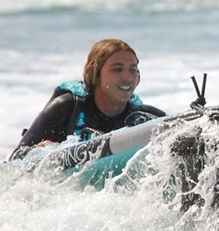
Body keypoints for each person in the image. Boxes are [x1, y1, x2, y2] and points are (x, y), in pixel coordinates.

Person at [9, 39, 166, 159]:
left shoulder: (144, 118)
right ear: (96, 74)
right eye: (117, 69)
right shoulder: (66, 108)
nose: (127, 77)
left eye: (133, 69)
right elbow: (17, 157)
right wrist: (44, 151)